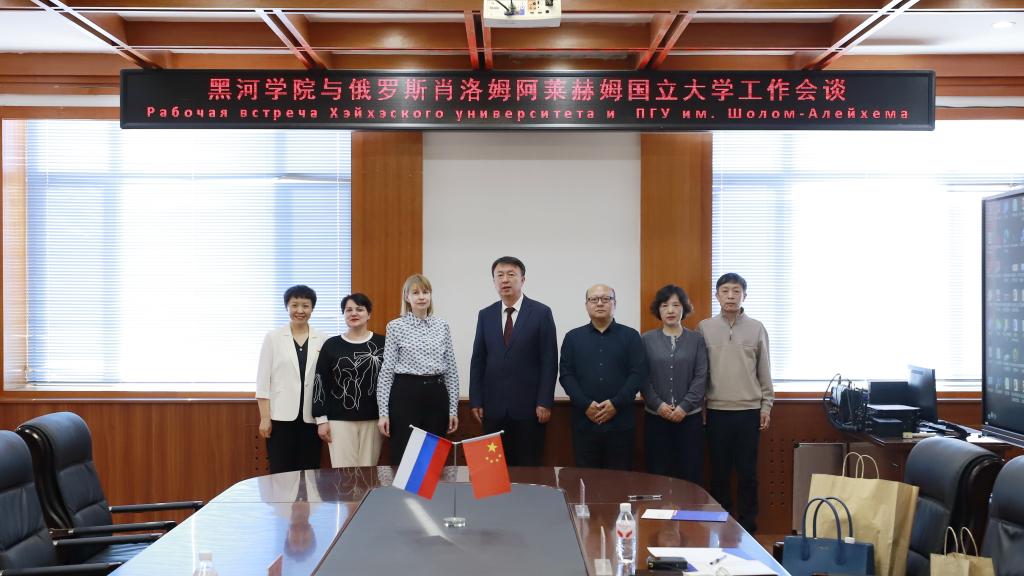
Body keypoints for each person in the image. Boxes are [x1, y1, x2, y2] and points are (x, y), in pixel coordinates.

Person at [698, 272, 773, 534]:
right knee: (719, 473)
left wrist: (766, 405)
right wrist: (701, 407)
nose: (731, 296)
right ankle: (721, 525)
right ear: (717, 295)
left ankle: (748, 527)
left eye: (736, 291)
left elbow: (765, 370)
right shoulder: (705, 327)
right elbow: (701, 372)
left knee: (747, 474)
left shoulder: (756, 328)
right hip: (716, 412)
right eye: (725, 291)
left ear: (744, 296)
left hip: (749, 411)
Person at [469, 256, 558, 466]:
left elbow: (549, 361)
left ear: (522, 279)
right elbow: (478, 360)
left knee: (527, 469)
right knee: (492, 470)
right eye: (499, 275)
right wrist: (476, 400)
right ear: (494, 281)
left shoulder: (541, 313)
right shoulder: (486, 315)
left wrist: (545, 401)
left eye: (511, 274)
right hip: (492, 409)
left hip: (530, 409)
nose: (505, 280)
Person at [559, 284, 647, 470]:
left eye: (606, 299)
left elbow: (638, 374)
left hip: (621, 422)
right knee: (587, 478)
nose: (599, 303)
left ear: (615, 304)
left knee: (620, 478)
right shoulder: (573, 338)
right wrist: (585, 404)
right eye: (594, 299)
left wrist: (616, 404)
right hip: (584, 422)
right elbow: (566, 375)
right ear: (586, 305)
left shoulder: (631, 336)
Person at [376, 274, 459, 465]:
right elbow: (387, 371)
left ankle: (434, 486)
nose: (421, 297)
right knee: (405, 455)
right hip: (406, 393)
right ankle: (404, 487)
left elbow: (451, 370)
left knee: (434, 457)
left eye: (425, 292)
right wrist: (383, 413)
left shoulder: (442, 325)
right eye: (415, 293)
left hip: (436, 393)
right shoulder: (395, 327)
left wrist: (453, 409)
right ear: (407, 297)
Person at [640, 284, 707, 484]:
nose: (670, 310)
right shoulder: (646, 339)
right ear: (658, 310)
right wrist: (658, 405)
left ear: (684, 308)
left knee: (690, 473)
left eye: (676, 305)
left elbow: (701, 376)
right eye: (664, 305)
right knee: (657, 473)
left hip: (689, 418)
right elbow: (642, 377)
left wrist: (684, 407)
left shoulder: (696, 340)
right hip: (656, 418)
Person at [256, 285, 326, 473]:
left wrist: (324, 418)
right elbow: (263, 381)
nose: (300, 310)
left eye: (305, 305)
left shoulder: (323, 339)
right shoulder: (273, 338)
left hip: (311, 419)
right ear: (287, 307)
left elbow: (324, 383)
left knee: (310, 473)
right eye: (295, 305)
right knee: (281, 472)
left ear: (312, 308)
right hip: (280, 419)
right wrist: (265, 418)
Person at [312, 293, 386, 467]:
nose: (354, 313)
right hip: (338, 421)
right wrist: (321, 420)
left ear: (369, 314)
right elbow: (321, 382)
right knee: (343, 475)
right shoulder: (331, 345)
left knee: (368, 473)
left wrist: (388, 415)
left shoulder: (383, 343)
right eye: (348, 310)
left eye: (359, 309)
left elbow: (390, 381)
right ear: (343, 314)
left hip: (374, 419)